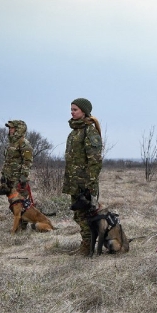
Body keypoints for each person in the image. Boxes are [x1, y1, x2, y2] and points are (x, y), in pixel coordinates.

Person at [62, 98, 103, 254]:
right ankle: (86, 244)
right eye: (71, 109)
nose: (72, 112)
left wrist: (91, 184)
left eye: (75, 109)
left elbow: (95, 160)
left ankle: (88, 246)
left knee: (86, 215)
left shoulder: (89, 131)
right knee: (78, 215)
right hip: (74, 182)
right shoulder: (74, 132)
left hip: (85, 184)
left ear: (84, 111)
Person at [0, 119, 34, 191]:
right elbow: (8, 160)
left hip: (18, 179)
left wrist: (23, 177)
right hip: (9, 178)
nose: (10, 130)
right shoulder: (11, 143)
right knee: (12, 200)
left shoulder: (24, 143)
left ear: (19, 129)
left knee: (20, 200)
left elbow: (27, 161)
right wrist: (3, 174)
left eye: (12, 128)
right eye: (9, 128)